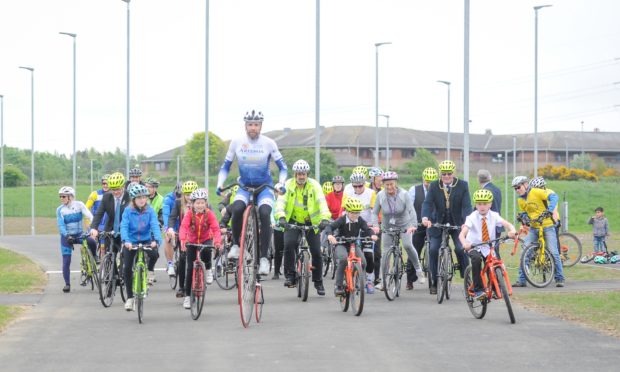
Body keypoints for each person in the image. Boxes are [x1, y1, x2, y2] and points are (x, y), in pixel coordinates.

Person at [216, 109, 287, 276]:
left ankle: (263, 259)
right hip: (244, 186)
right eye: (250, 124)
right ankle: (235, 244)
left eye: (256, 124)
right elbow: (225, 167)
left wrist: (281, 184)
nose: (253, 128)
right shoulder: (236, 142)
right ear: (245, 125)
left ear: (261, 126)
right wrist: (220, 184)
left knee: (264, 212)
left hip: (264, 188)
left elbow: (283, 168)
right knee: (238, 208)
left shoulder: (269, 143)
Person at [275, 159, 331, 295]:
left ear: (307, 174)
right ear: (295, 174)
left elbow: (322, 203)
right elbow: (280, 202)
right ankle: (290, 275)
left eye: (303, 174)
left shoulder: (314, 186)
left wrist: (324, 218)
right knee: (289, 245)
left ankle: (318, 282)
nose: (301, 176)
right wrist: (281, 217)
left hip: (312, 222)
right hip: (292, 221)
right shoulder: (287, 184)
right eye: (299, 174)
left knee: (317, 252)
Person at [421, 160, 472, 295]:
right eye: (444, 174)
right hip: (438, 223)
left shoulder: (462, 185)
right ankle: (434, 281)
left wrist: (466, 221)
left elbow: (467, 206)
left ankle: (466, 277)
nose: (447, 176)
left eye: (449, 174)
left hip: (457, 223)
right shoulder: (434, 185)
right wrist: (425, 218)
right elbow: (427, 203)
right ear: (440, 174)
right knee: (433, 250)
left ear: (453, 173)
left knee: (461, 249)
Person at [372, 171, 425, 292]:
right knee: (385, 253)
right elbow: (374, 213)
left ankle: (419, 271)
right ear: (383, 184)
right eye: (387, 185)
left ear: (396, 183)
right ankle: (383, 281)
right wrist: (375, 225)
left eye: (392, 184)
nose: (389, 187)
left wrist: (413, 225)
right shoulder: (380, 196)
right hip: (387, 226)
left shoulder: (404, 194)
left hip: (405, 225)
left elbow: (411, 211)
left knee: (407, 245)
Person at [459, 189, 516, 299]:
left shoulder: (494, 215)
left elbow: (507, 224)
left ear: (490, 204)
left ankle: (495, 289)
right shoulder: (471, 217)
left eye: (485, 203)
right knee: (476, 259)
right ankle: (478, 290)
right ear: (476, 204)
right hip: (473, 246)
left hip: (488, 246)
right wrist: (464, 243)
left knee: (494, 263)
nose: (482, 206)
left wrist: (512, 230)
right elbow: (462, 234)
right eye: (479, 204)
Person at [512, 176, 565, 287]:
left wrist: (549, 210)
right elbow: (526, 212)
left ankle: (560, 278)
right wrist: (523, 216)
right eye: (515, 188)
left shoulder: (536, 192)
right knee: (525, 251)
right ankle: (522, 280)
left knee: (554, 252)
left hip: (548, 226)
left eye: (519, 187)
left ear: (526, 184)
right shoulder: (520, 200)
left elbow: (554, 197)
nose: (517, 190)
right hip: (533, 228)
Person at [120, 183, 163, 311]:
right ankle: (130, 298)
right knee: (127, 268)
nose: (142, 200)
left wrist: (156, 240)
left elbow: (155, 225)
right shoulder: (128, 211)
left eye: (144, 197)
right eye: (139, 198)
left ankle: (150, 270)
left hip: (146, 240)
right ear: (133, 200)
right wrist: (126, 241)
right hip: (131, 242)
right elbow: (124, 226)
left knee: (155, 254)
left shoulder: (150, 210)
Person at [178, 188, 222, 309]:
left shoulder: (209, 214)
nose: (200, 205)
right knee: (190, 269)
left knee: (207, 250)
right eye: (197, 202)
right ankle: (187, 297)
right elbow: (183, 227)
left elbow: (216, 229)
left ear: (206, 203)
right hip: (192, 241)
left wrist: (217, 241)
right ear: (192, 204)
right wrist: (183, 239)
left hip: (205, 239)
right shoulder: (189, 214)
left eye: (202, 202)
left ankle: (208, 269)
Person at [325, 198, 378, 295]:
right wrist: (330, 235)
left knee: (363, 262)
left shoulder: (359, 220)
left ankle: (355, 279)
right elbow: (330, 227)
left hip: (353, 244)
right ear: (347, 212)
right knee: (343, 259)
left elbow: (366, 228)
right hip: (341, 244)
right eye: (353, 213)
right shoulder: (342, 219)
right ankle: (339, 285)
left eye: (357, 213)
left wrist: (372, 235)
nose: (355, 215)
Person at [341, 171, 379, 292]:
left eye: (360, 186)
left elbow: (375, 211)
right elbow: (342, 212)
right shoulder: (347, 193)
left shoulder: (371, 193)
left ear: (364, 184)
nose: (357, 188)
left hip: (366, 226)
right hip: (352, 226)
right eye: (355, 186)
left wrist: (374, 226)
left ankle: (369, 280)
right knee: (351, 255)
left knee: (368, 255)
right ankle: (351, 277)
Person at [56, 186, 94, 293]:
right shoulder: (60, 210)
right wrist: (67, 235)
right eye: (60, 196)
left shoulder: (79, 205)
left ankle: (95, 257)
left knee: (91, 241)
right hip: (67, 237)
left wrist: (92, 228)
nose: (61, 198)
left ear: (70, 197)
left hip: (79, 234)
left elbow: (90, 216)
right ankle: (67, 284)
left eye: (63, 196)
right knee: (66, 261)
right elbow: (61, 225)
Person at [405, 167, 438, 290]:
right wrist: (411, 223)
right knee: (414, 250)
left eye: (431, 182)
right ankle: (410, 279)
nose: (429, 184)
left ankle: (435, 277)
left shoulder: (440, 190)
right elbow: (409, 208)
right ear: (423, 179)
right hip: (418, 225)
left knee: (435, 249)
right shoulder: (414, 190)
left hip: (433, 224)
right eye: (427, 181)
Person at [167, 180, 199, 297]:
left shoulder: (201, 203)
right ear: (183, 194)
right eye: (187, 194)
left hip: (198, 235)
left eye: (192, 194)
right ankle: (181, 287)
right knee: (183, 259)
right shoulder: (178, 203)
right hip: (184, 235)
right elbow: (172, 217)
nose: (189, 197)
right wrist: (170, 228)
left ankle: (203, 275)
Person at [89, 172, 131, 259]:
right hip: (110, 228)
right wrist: (94, 228)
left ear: (123, 186)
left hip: (126, 228)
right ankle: (112, 271)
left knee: (126, 256)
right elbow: (99, 214)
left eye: (118, 189)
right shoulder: (106, 197)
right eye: (113, 189)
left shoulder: (130, 197)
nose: (115, 192)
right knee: (110, 255)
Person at [477, 169, 503, 258]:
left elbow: (478, 210)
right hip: (497, 225)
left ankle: (492, 271)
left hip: (488, 225)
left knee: (486, 252)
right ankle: (498, 270)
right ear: (490, 177)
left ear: (479, 180)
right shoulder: (497, 189)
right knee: (495, 251)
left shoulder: (484, 192)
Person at [162, 182, 183, 275]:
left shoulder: (190, 199)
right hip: (172, 223)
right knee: (168, 239)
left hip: (183, 224)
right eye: (177, 195)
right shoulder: (168, 199)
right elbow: (166, 215)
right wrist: (167, 229)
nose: (179, 198)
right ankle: (170, 264)